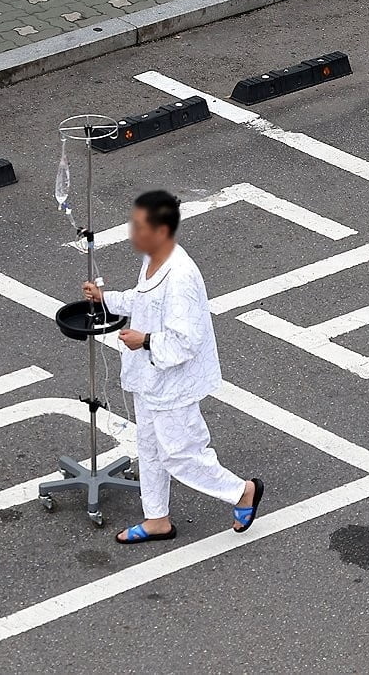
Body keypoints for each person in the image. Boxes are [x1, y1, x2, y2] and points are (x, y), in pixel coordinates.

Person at [84, 190, 263, 544]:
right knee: (149, 448)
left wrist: (144, 340)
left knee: (180, 454)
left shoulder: (180, 276)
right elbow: (142, 298)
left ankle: (242, 491)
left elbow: (185, 341)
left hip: (173, 380)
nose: (132, 233)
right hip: (151, 378)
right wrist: (108, 299)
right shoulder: (154, 261)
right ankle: (156, 519)